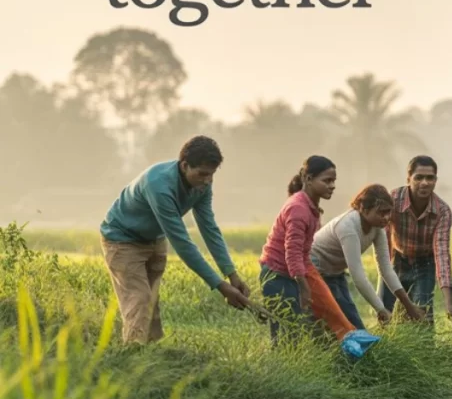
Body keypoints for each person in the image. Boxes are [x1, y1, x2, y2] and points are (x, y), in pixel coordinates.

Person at [99, 135, 251, 344]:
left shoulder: (202, 186)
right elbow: (182, 242)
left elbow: (209, 228)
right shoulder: (158, 185)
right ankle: (132, 353)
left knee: (151, 302)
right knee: (139, 300)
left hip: (154, 238)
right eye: (202, 174)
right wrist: (220, 286)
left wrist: (231, 274)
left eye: (212, 174)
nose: (207, 180)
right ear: (185, 165)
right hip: (122, 240)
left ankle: (152, 355)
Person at [258, 156, 358, 344]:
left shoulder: (310, 206)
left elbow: (303, 252)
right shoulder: (298, 209)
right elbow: (293, 252)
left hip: (292, 274)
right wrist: (304, 288)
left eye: (333, 181)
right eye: (327, 181)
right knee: (286, 338)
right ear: (308, 179)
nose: (332, 186)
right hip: (277, 276)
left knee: (308, 329)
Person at [312, 184, 427, 328]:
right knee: (339, 323)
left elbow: (386, 269)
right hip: (315, 270)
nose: (386, 218)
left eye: (389, 212)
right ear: (364, 209)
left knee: (352, 321)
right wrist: (381, 309)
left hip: (335, 272)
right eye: (381, 212)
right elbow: (358, 276)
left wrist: (409, 306)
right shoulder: (348, 226)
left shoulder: (378, 229)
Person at [380, 156, 452, 324]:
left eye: (430, 178)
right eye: (419, 177)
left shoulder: (442, 211)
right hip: (397, 259)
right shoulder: (393, 199)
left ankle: (424, 340)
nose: (424, 183)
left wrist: (448, 303)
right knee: (384, 314)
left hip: (425, 263)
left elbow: (442, 253)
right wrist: (385, 267)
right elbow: (382, 237)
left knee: (422, 317)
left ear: (435, 181)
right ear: (408, 179)